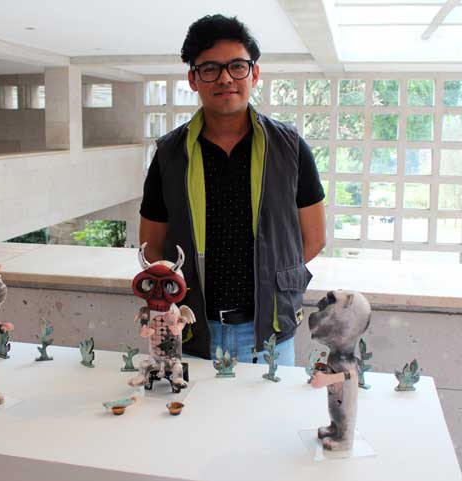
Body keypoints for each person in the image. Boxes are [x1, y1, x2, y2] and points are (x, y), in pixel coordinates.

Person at [139, 14, 326, 365]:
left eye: (237, 66)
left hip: (269, 335)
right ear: (193, 79)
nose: (225, 78)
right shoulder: (169, 155)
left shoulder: (290, 148)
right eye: (210, 68)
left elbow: (314, 238)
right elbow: (151, 244)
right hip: (189, 329)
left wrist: (271, 282)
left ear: (254, 74)